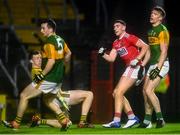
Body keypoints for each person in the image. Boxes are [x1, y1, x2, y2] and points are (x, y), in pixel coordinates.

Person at [2, 19, 72, 131]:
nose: (41, 30)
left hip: (49, 78)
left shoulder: (49, 42)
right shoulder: (60, 39)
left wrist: (41, 75)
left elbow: (51, 61)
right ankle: (64, 121)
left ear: (50, 29)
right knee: (48, 100)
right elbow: (69, 53)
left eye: (43, 28)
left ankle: (16, 123)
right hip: (58, 79)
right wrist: (63, 65)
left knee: (24, 95)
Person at [98, 19, 149, 128]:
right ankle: (132, 118)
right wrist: (102, 54)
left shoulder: (129, 37)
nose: (115, 28)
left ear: (124, 27)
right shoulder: (116, 43)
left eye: (117, 26)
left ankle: (116, 121)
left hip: (135, 67)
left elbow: (145, 46)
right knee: (116, 93)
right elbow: (111, 58)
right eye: (114, 27)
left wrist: (138, 58)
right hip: (129, 68)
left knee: (119, 92)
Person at [27, 50, 94, 128]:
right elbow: (45, 88)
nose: (39, 60)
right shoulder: (37, 72)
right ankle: (82, 122)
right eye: (37, 58)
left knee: (66, 123)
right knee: (89, 94)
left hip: (53, 99)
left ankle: (39, 121)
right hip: (57, 97)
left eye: (40, 58)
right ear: (31, 61)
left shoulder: (38, 71)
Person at [138, 6, 170, 128]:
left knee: (148, 90)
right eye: (152, 13)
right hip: (152, 64)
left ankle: (160, 119)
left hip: (161, 64)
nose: (152, 15)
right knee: (144, 91)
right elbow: (150, 51)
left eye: (155, 14)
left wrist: (158, 68)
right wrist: (143, 64)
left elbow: (164, 51)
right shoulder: (150, 31)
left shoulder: (162, 30)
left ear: (160, 18)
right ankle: (147, 121)